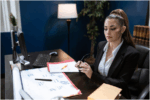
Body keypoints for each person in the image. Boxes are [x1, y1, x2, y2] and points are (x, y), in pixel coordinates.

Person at [75, 9, 140, 99]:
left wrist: (93, 75)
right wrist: (85, 67)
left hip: (117, 95)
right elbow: (98, 68)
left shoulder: (131, 54)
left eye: (112, 29)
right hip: (98, 89)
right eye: (105, 29)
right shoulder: (101, 45)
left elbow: (121, 84)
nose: (107, 33)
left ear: (122, 29)